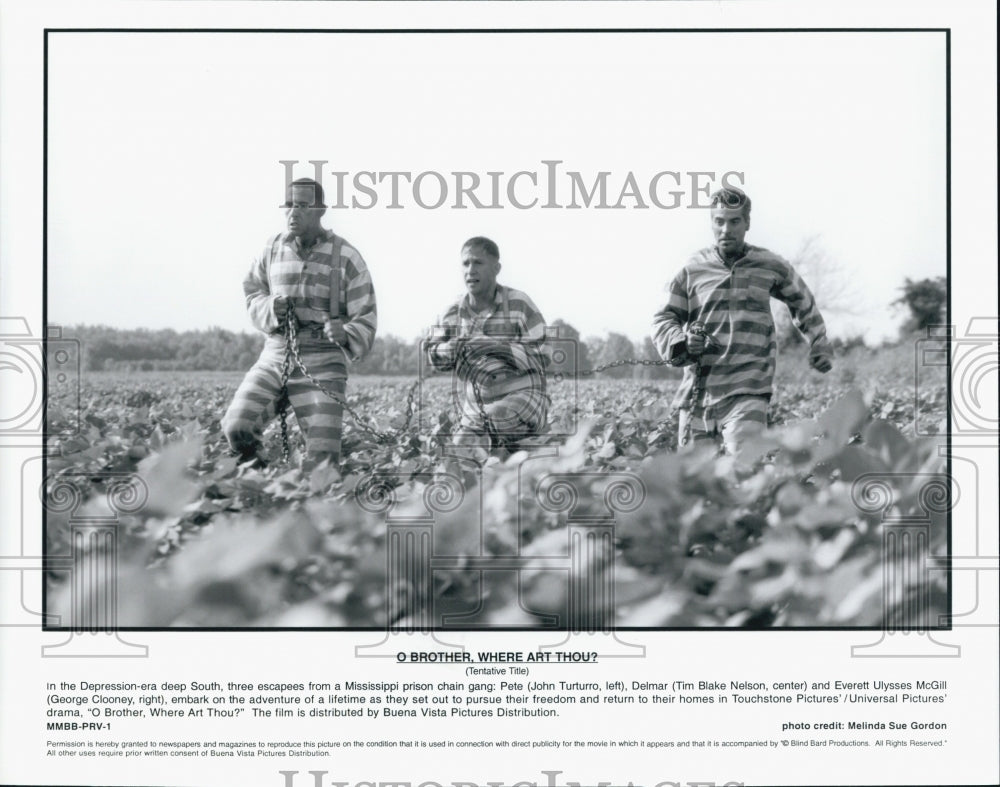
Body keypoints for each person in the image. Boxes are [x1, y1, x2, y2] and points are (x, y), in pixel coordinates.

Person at [651, 186, 833, 455]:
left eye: (734, 221)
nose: (726, 229)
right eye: (719, 221)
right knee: (694, 481)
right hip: (698, 392)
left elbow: (802, 301)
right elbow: (664, 317)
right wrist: (682, 342)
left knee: (744, 469)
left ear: (747, 223)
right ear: (711, 223)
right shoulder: (691, 269)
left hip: (749, 389)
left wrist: (818, 342)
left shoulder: (770, 265)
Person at [221, 178, 377, 467]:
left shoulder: (347, 257)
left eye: (303, 206)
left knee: (323, 460)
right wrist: (269, 307)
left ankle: (315, 505)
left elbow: (366, 314)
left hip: (324, 359)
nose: (294, 212)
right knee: (236, 425)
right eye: (290, 205)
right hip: (275, 353)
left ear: (320, 210)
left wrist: (345, 332)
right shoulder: (271, 249)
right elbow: (253, 291)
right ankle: (258, 488)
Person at [425, 237, 549, 464]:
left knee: (498, 419)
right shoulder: (452, 312)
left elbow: (544, 356)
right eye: (466, 264)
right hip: (476, 409)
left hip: (526, 398)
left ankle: (511, 465)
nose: (470, 270)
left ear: (496, 268)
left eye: (478, 263)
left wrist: (496, 347)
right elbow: (432, 355)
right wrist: (447, 350)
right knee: (458, 454)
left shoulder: (520, 303)